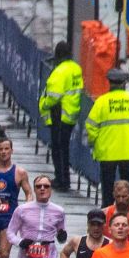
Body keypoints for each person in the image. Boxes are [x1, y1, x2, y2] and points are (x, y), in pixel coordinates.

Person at [84, 67, 129, 207]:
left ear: (109, 83)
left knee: (107, 189)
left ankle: (107, 215)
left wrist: (92, 142)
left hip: (107, 151)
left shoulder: (101, 102)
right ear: (124, 83)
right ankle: (128, 215)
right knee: (128, 189)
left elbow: (91, 126)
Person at [38, 41, 84, 188]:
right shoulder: (75, 68)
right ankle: (65, 178)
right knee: (64, 148)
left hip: (59, 113)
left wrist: (44, 104)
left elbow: (53, 96)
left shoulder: (59, 72)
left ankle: (61, 180)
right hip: (72, 112)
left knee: (58, 148)